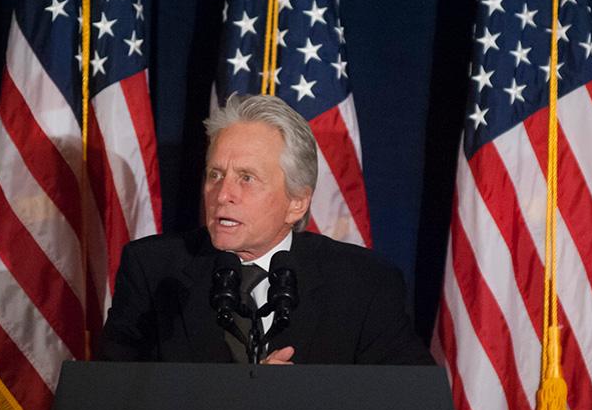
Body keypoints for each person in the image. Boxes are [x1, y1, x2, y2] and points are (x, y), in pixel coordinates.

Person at [99, 94, 433, 366]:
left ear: (297, 203)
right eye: (215, 174)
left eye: (246, 178)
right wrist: (239, 405)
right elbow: (112, 407)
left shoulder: (363, 283)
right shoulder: (153, 271)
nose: (223, 194)